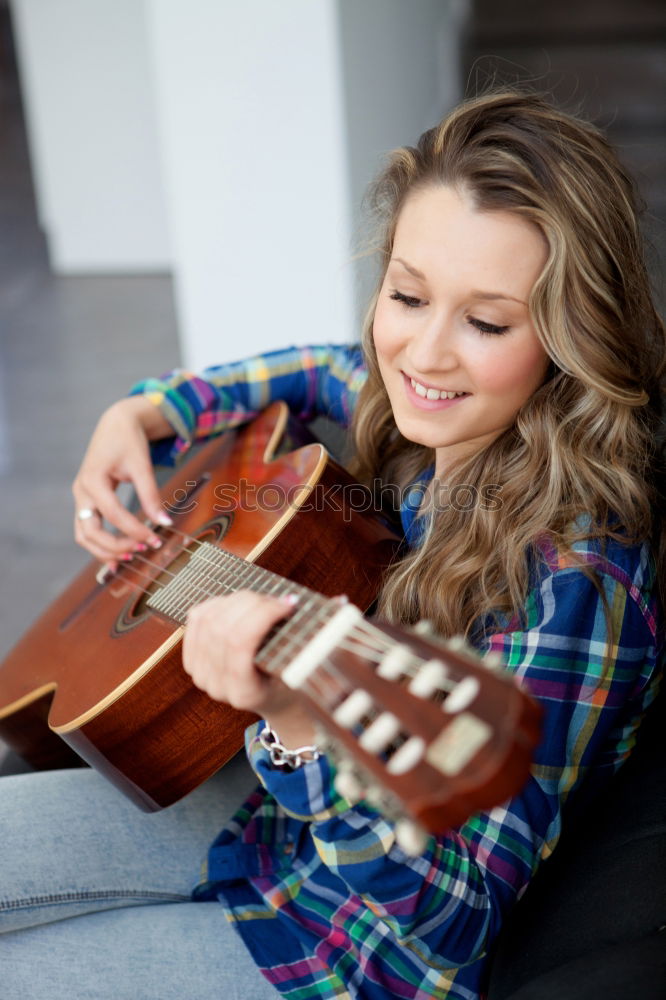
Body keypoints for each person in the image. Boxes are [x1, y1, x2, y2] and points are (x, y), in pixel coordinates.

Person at [1, 89, 664, 1000]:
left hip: (353, 955)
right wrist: (148, 408)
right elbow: (327, 366)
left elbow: (457, 914)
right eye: (407, 294)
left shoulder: (576, 583)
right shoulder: (434, 417)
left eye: (486, 322)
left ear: (568, 337)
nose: (423, 355)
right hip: (264, 825)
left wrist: (306, 727)